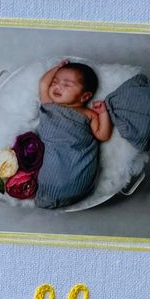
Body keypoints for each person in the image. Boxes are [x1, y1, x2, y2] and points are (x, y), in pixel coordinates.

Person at [34, 60, 112, 208]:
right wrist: (58, 68)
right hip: (55, 152)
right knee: (51, 170)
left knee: (75, 172)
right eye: (55, 82)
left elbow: (103, 135)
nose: (57, 86)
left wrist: (103, 114)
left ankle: (73, 189)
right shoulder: (50, 105)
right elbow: (44, 84)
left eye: (67, 85)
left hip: (77, 154)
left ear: (84, 96)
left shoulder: (89, 114)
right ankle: (50, 194)